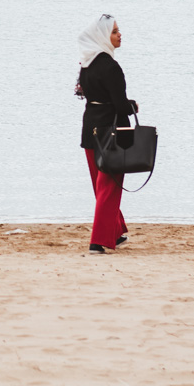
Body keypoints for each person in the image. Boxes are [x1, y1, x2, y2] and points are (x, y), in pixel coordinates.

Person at [76, 13, 138, 253]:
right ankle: (98, 240)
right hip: (112, 133)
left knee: (100, 186)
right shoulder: (111, 66)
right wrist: (133, 106)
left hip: (90, 128)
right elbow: (120, 105)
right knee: (110, 187)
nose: (120, 35)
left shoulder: (86, 64)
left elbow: (90, 96)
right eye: (114, 31)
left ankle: (115, 232)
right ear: (103, 36)